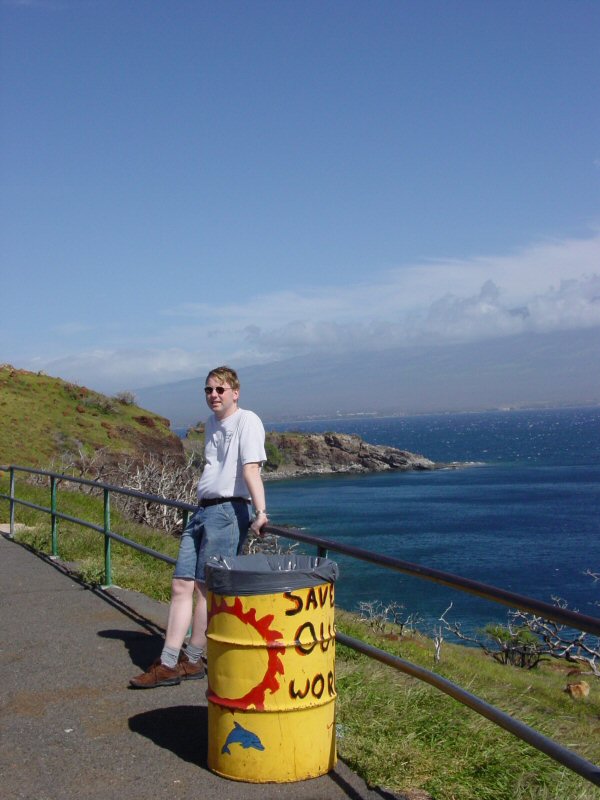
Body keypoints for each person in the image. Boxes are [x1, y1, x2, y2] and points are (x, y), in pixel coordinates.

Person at [130, 365, 268, 689]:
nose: (213, 395)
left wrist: (261, 511)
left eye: (220, 389)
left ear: (235, 392)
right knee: (181, 584)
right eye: (208, 390)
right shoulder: (210, 424)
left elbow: (250, 469)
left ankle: (190, 658)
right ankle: (169, 661)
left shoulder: (248, 421)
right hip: (203, 510)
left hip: (229, 510)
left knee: (206, 589)